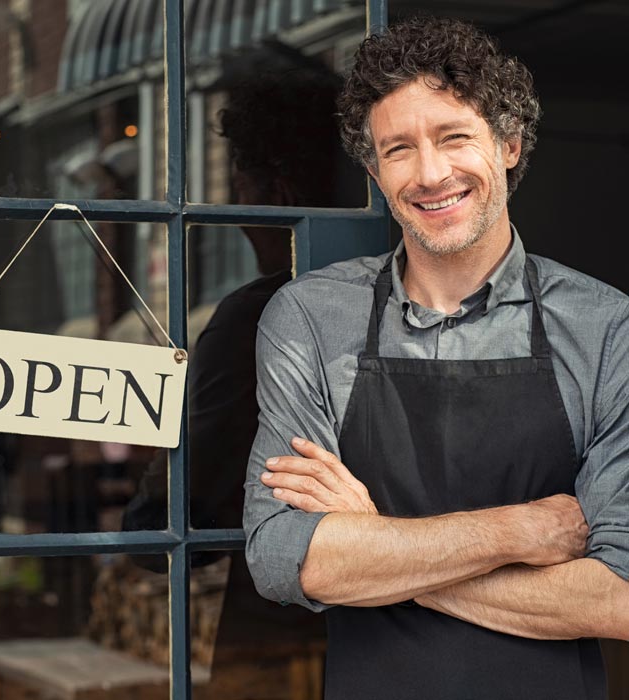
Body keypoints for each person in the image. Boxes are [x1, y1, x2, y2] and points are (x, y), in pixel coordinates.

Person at [243, 15, 629, 700]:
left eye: (454, 138)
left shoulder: (605, 329)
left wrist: (369, 543)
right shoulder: (310, 319)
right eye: (398, 150)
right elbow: (282, 559)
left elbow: (616, 598)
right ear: (374, 170)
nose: (429, 174)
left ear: (509, 144)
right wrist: (522, 529)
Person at [123, 46, 363, 698]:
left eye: (238, 182)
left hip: (286, 646)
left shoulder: (256, 321)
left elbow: (166, 522)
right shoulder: (428, 307)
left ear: (273, 193)